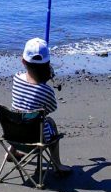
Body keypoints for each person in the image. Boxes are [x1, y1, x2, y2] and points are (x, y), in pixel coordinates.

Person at [11, 37, 72, 175]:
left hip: (15, 133)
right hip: (36, 137)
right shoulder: (45, 90)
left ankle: (11, 152)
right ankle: (57, 164)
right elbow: (51, 109)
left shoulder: (16, 78)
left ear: (23, 61)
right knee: (50, 123)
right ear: (48, 64)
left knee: (20, 115)